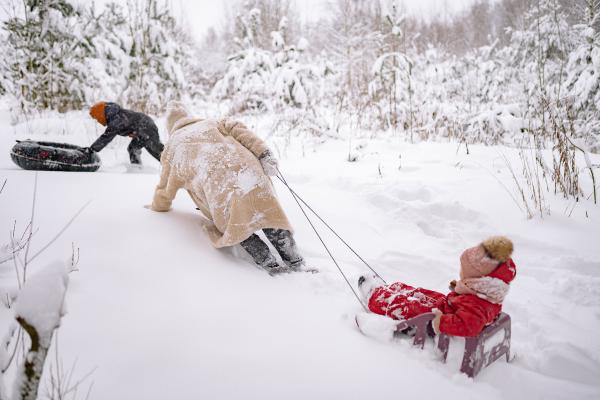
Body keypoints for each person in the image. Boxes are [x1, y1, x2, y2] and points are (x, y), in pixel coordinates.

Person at [148, 101, 305, 273]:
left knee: (238, 226)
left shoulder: (172, 147)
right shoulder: (213, 122)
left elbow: (164, 190)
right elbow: (242, 131)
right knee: (268, 213)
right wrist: (264, 154)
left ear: (170, 126)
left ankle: (269, 264)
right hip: (250, 172)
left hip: (219, 188)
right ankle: (295, 261)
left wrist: (157, 206)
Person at [358, 236, 516, 337]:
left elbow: (469, 326)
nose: (461, 273)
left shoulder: (476, 305)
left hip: (441, 318)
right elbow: (474, 303)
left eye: (464, 271)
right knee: (421, 293)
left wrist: (441, 322)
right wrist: (461, 290)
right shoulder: (487, 291)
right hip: (449, 307)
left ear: (477, 278)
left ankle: (375, 296)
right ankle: (393, 288)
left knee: (409, 306)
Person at [85, 102, 164, 164]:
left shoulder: (117, 119)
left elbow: (106, 137)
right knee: (133, 149)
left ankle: (173, 167)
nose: (97, 121)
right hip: (143, 127)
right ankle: (137, 170)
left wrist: (92, 149)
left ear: (100, 114)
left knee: (157, 151)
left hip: (146, 126)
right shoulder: (114, 116)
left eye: (96, 118)